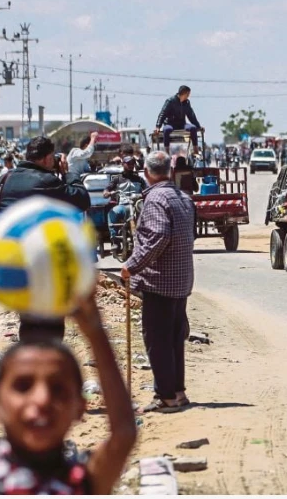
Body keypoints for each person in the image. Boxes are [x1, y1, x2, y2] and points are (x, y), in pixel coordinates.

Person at [0, 223, 137, 494]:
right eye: (23, 385)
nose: (42, 399)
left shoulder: (83, 477)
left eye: (58, 388)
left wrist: (96, 331)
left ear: (80, 408)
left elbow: (123, 435)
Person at [0, 136, 91, 343]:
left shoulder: (6, 180)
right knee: (51, 324)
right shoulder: (48, 181)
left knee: (28, 319)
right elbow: (82, 200)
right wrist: (69, 173)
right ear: (48, 158)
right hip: (43, 262)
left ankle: (29, 359)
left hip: (13, 263)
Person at [121, 151, 196, 413]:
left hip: (160, 282)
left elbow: (159, 236)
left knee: (157, 338)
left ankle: (166, 396)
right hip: (181, 279)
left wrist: (131, 266)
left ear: (146, 172)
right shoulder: (183, 198)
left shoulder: (154, 199)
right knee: (174, 338)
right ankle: (178, 392)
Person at [104, 156, 147, 257]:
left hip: (137, 206)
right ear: (123, 164)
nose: (131, 165)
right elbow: (107, 189)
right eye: (128, 163)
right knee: (111, 213)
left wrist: (144, 194)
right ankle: (115, 241)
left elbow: (146, 190)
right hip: (123, 206)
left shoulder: (139, 179)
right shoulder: (117, 179)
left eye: (132, 163)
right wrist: (107, 193)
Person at [154, 85, 203, 154]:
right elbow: (162, 113)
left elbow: (191, 116)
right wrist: (158, 126)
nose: (188, 96)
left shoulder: (187, 103)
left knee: (193, 128)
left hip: (182, 124)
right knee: (167, 130)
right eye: (188, 94)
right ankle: (167, 152)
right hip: (170, 123)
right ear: (184, 93)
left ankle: (195, 150)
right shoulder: (170, 101)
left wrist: (198, 127)